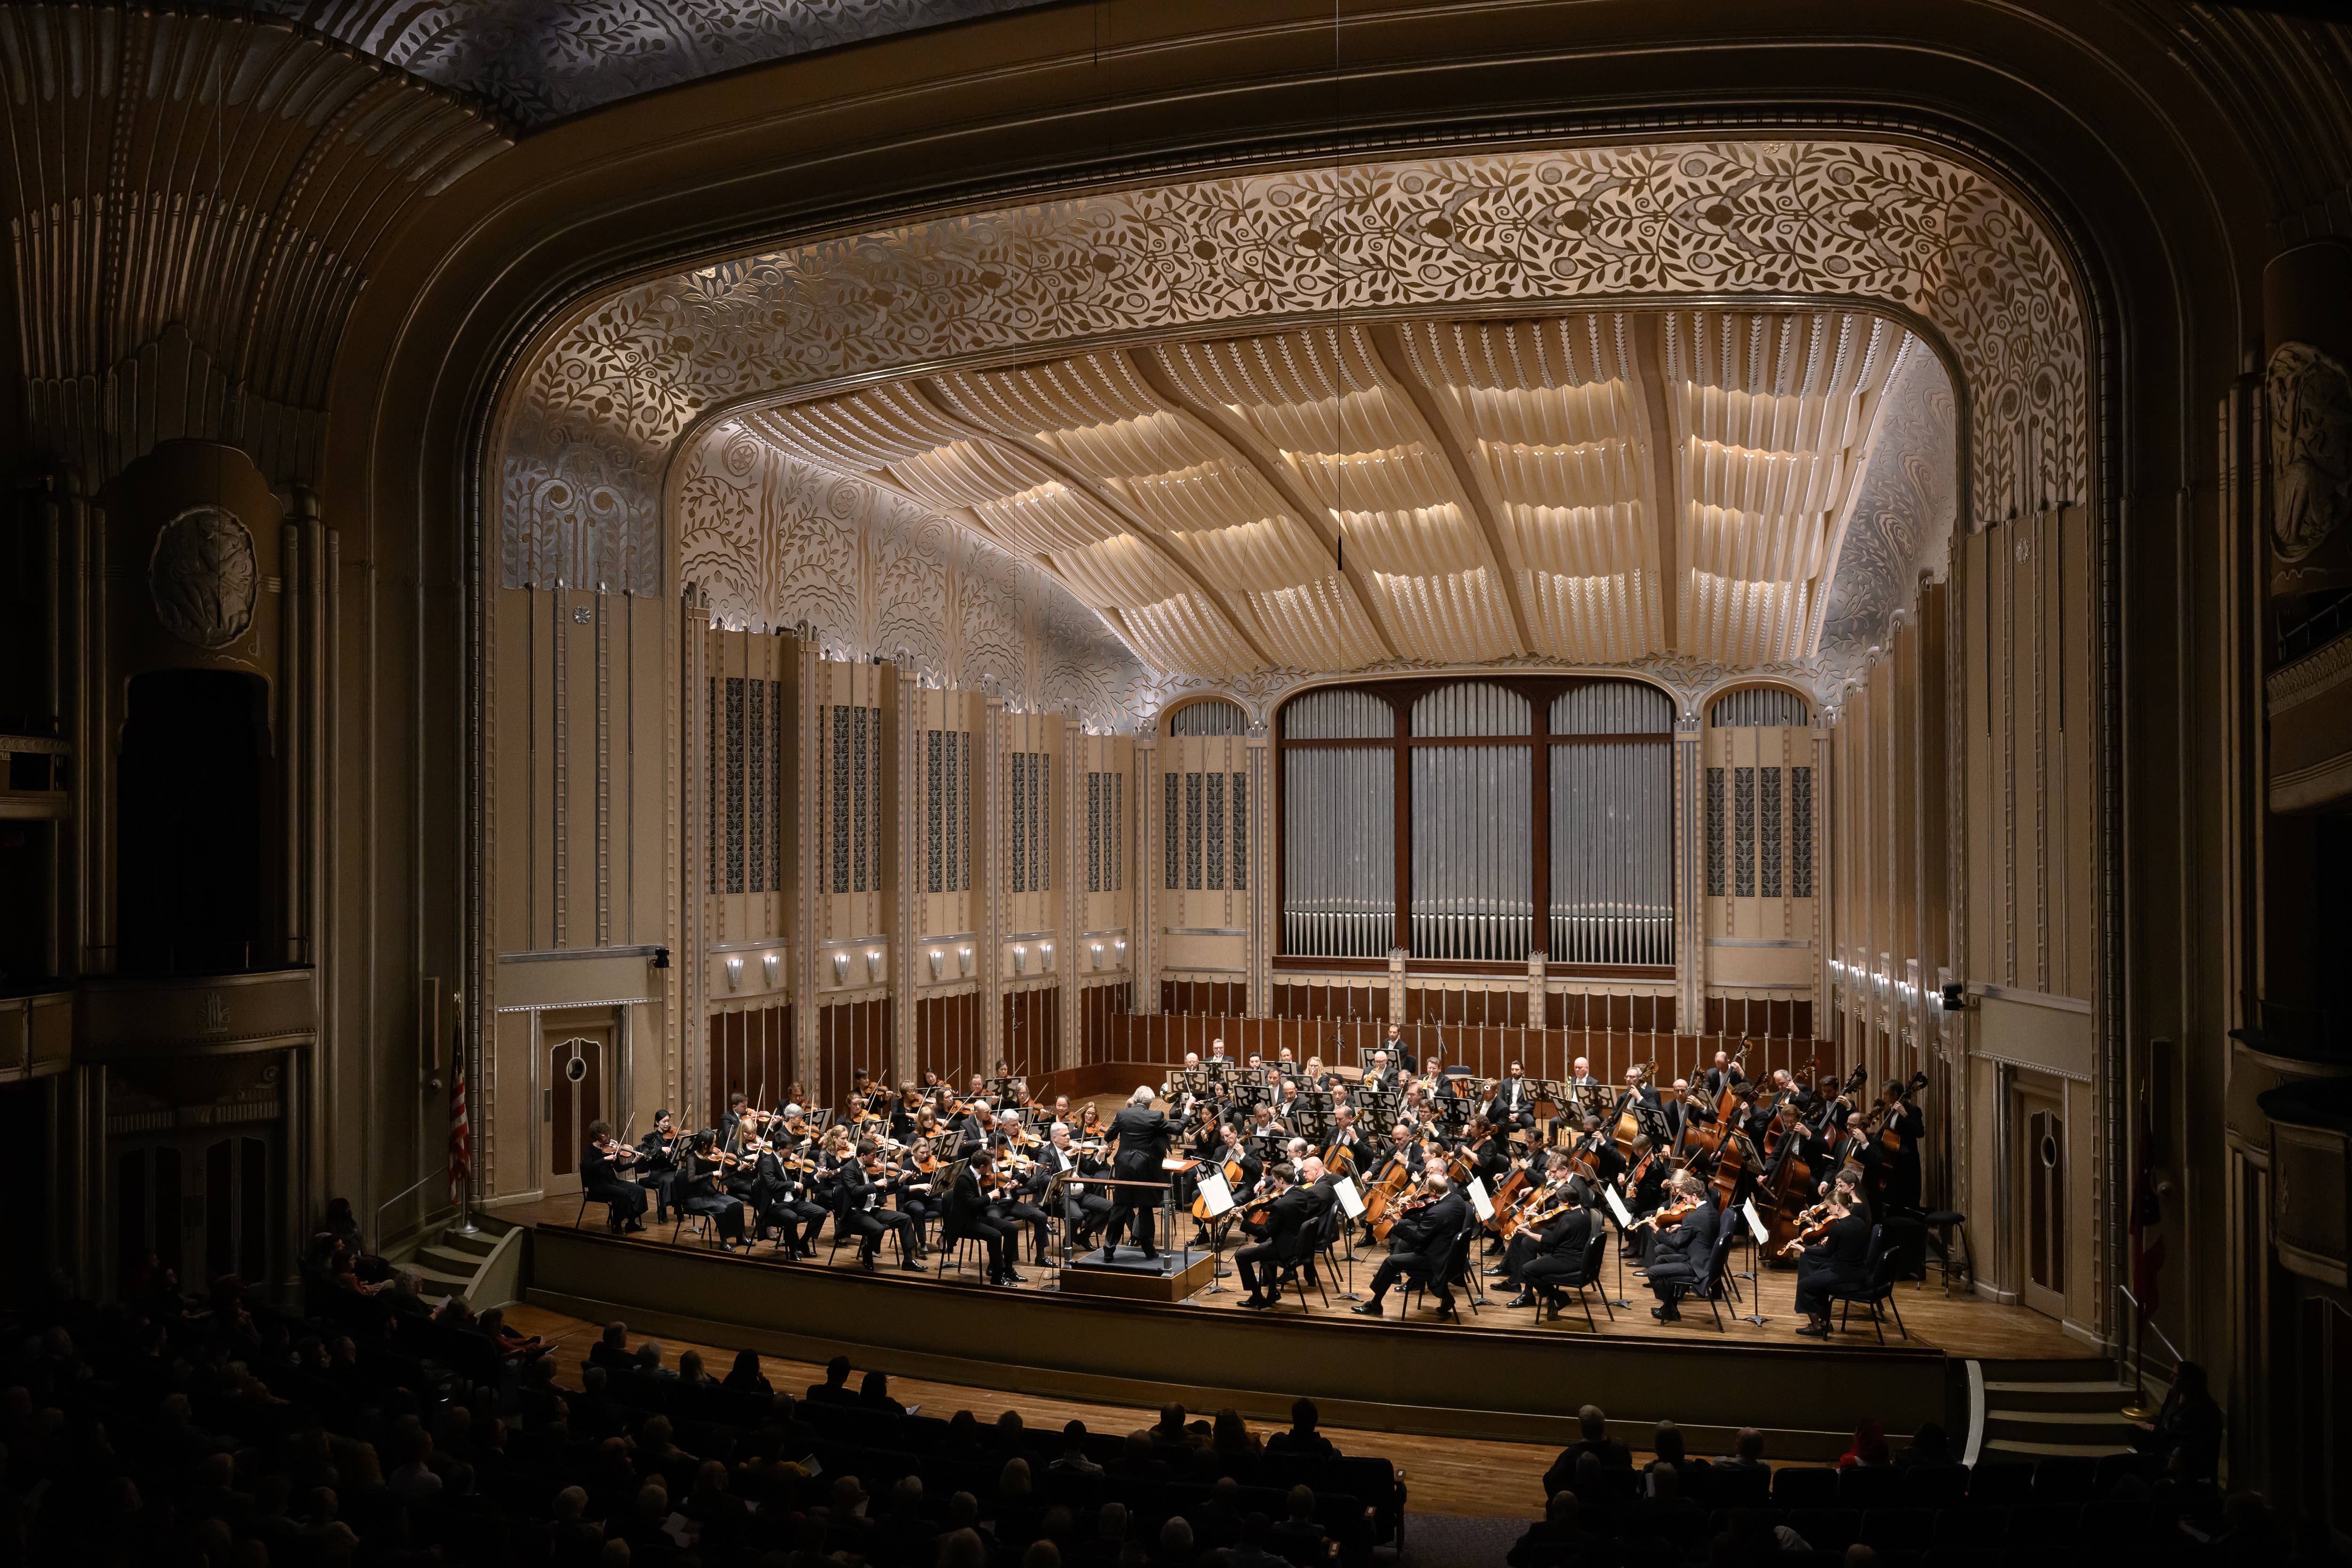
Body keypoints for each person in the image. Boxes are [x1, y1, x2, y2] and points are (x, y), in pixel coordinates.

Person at [1349, 1171, 1468, 1317]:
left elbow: (1418, 1239)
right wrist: (1411, 1210)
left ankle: (1375, 1305)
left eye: (1427, 1190)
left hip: (1434, 1260)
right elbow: (1435, 1220)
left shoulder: (1436, 1212)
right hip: (1452, 1256)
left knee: (1391, 1262)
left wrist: (1397, 1224)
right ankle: (1447, 1298)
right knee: (1400, 1252)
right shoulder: (1457, 1200)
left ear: (1433, 1192)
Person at [1795, 1174, 1872, 1337]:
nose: (1828, 1211)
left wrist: (1804, 1250)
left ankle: (1816, 1326)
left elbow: (1827, 1253)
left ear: (1838, 1206)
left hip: (1843, 1274)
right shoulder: (1860, 1223)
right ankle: (1825, 1322)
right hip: (1858, 1271)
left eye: (1829, 1209)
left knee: (1804, 1285)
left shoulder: (1838, 1228)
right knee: (1819, 1276)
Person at [1105, 1086, 1176, 1260]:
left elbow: (1108, 1137)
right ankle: (1148, 1250)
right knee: (1145, 1209)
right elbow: (1178, 1129)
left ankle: (1108, 1250)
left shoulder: (1123, 1114)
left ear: (1135, 1099)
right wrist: (1188, 1110)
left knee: (1120, 1206)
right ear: (1150, 1103)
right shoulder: (1155, 1116)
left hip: (1123, 1167)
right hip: (1145, 1168)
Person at [1234, 1163, 1316, 1308]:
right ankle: (1272, 1292)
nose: (1274, 1183)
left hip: (1285, 1250)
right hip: (1299, 1245)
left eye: (1275, 1180)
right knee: (1265, 1249)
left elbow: (1265, 1233)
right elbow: (1285, 1208)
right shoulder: (1301, 1194)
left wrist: (1242, 1222)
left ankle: (1257, 1297)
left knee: (1242, 1256)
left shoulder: (1281, 1206)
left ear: (1282, 1181)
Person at [1642, 1172, 1720, 1321]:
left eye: (1685, 1198)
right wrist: (1681, 1227)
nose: (1684, 1202)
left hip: (1697, 1265)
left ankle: (1670, 1308)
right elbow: (1700, 1231)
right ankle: (1669, 1309)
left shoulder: (1693, 1217)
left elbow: (1677, 1243)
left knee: (1653, 1272)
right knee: (1661, 1259)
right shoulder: (1712, 1212)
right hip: (1705, 1258)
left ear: (1695, 1196)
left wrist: (1658, 1230)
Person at [2137, 1360, 2223, 1484]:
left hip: (2177, 1457)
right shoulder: (2174, 1395)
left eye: (2175, 1375)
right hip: (2163, 1444)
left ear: (2187, 1381)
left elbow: (2184, 1438)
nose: (2171, 1377)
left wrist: (2157, 1431)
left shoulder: (2201, 1409)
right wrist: (2150, 1424)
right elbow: (2163, 1417)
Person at [947, 1148, 1019, 1284]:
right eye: (989, 1166)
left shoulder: (980, 1176)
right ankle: (997, 1277)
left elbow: (987, 1198)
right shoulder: (964, 1179)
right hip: (964, 1222)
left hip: (978, 1217)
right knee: (996, 1235)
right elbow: (972, 1204)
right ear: (982, 1167)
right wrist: (990, 1196)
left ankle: (1009, 1269)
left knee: (1012, 1229)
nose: (990, 1169)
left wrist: (1005, 1190)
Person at [581, 1120, 649, 1232]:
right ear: (596, 1136)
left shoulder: (611, 1150)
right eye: (605, 1135)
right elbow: (588, 1167)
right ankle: (617, 1224)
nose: (609, 1137)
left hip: (613, 1182)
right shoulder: (590, 1150)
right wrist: (604, 1159)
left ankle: (631, 1222)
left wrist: (633, 1163)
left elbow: (619, 1168)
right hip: (598, 1185)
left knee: (639, 1190)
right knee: (622, 1194)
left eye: (609, 1134)